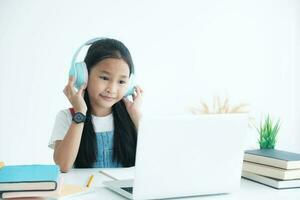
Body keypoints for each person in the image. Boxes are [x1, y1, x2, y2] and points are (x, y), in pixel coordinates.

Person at [48, 38, 143, 172]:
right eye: (104, 78)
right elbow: (63, 166)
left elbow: (157, 161)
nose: (112, 89)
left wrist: (136, 116)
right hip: (86, 192)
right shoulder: (68, 117)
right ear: (84, 76)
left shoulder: (132, 116)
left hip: (123, 193)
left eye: (121, 81)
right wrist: (80, 113)